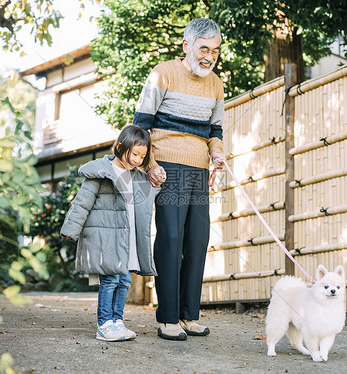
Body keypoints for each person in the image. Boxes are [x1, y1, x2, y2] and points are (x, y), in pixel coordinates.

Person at [133, 18, 226, 341]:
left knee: (197, 241)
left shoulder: (216, 84)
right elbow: (141, 126)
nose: (209, 56)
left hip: (200, 170)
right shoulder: (163, 73)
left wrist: (217, 152)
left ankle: (189, 315)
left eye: (215, 51)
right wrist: (150, 164)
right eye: (203, 48)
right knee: (171, 239)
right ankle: (168, 317)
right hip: (167, 168)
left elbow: (216, 131)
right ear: (186, 45)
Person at [60, 125, 160, 342]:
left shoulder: (136, 176)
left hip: (126, 238)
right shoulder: (100, 173)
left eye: (142, 156)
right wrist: (71, 229)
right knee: (111, 280)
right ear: (119, 146)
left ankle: (117, 322)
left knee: (124, 280)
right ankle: (104, 324)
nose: (137, 160)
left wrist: (157, 177)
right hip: (106, 237)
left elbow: (147, 197)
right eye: (135, 154)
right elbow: (82, 203)